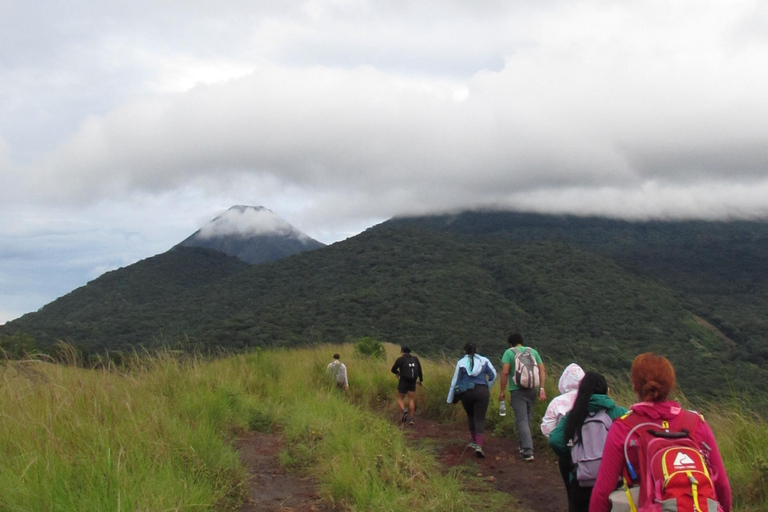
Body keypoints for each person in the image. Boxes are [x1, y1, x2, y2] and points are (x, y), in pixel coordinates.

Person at [589, 353, 732, 512]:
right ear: (670, 386)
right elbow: (722, 486)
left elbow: (602, 492)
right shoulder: (696, 423)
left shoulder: (624, 428)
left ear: (635, 385)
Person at [548, 372, 627, 512]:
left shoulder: (574, 415)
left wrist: (571, 457)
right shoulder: (618, 413)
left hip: (582, 483)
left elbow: (555, 440)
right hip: (613, 482)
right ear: (606, 391)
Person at [499, 332, 546, 461]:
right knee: (528, 419)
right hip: (532, 390)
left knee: (521, 420)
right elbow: (542, 369)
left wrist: (502, 390)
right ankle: (523, 445)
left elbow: (505, 372)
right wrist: (542, 388)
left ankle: (528, 450)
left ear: (510, 343)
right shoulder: (533, 352)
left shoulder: (509, 353)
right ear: (521, 341)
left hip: (517, 391)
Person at [541, 363, 585, 498]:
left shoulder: (557, 402)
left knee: (571, 491)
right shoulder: (588, 399)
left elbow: (547, 429)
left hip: (567, 451)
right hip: (589, 452)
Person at [446, 343, 497, 458]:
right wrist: (486, 387)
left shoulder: (461, 363)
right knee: (479, 418)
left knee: (470, 415)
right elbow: (493, 375)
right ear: (477, 350)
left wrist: (450, 399)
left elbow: (455, 381)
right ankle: (479, 445)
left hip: (467, 392)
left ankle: (474, 441)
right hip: (482, 391)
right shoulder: (484, 361)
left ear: (465, 351)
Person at [391, 345, 423, 425]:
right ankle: (411, 419)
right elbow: (419, 370)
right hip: (413, 381)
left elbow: (393, 370)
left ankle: (403, 410)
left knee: (399, 398)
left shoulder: (400, 359)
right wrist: (421, 380)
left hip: (403, 381)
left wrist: (398, 373)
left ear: (402, 351)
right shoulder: (415, 359)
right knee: (411, 399)